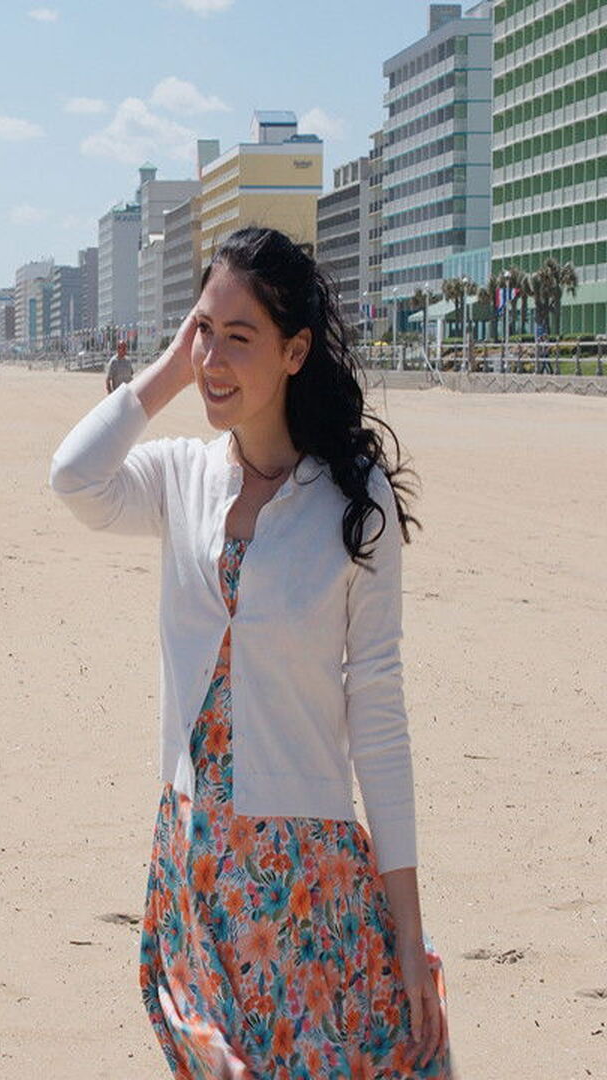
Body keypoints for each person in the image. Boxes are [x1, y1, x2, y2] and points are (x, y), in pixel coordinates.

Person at [50, 227, 451, 1078]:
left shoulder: (351, 501)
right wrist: (174, 366)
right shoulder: (182, 478)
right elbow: (74, 478)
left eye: (241, 339)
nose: (215, 359)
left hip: (304, 873)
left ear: (296, 351)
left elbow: (378, 714)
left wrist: (410, 932)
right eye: (204, 330)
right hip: (196, 854)